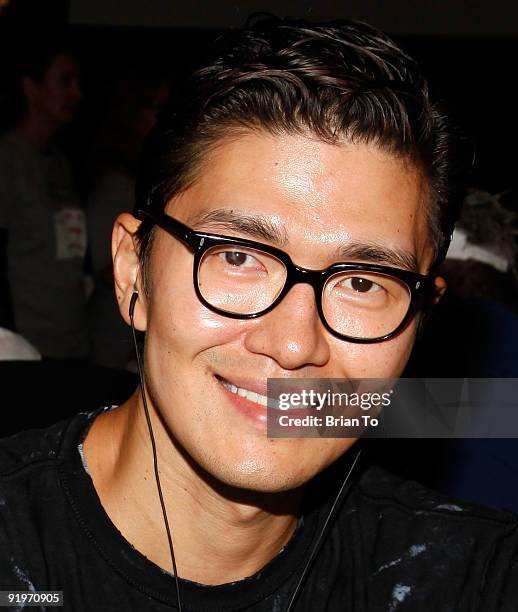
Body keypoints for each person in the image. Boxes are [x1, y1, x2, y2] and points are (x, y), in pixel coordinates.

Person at [1, 16, 517, 611]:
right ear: (132, 273)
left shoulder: (470, 579)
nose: (294, 343)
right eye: (240, 257)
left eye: (361, 281)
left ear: (421, 320)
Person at [0, 41, 88, 359]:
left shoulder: (58, 161)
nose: (76, 94)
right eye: (64, 82)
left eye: (77, 83)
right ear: (31, 88)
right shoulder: (9, 159)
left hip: (72, 337)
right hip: (26, 341)